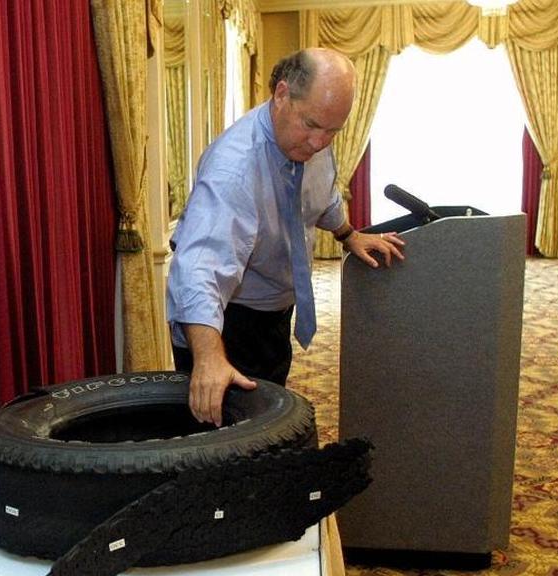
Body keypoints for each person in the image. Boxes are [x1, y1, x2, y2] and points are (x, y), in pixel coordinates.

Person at [166, 47, 406, 426]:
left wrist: (348, 234)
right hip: (227, 321)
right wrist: (210, 356)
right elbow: (199, 267)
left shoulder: (311, 141)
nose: (319, 143)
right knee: (222, 437)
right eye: (311, 125)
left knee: (266, 419)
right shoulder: (234, 167)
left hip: (275, 311)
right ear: (281, 95)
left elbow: (319, 199)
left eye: (333, 130)